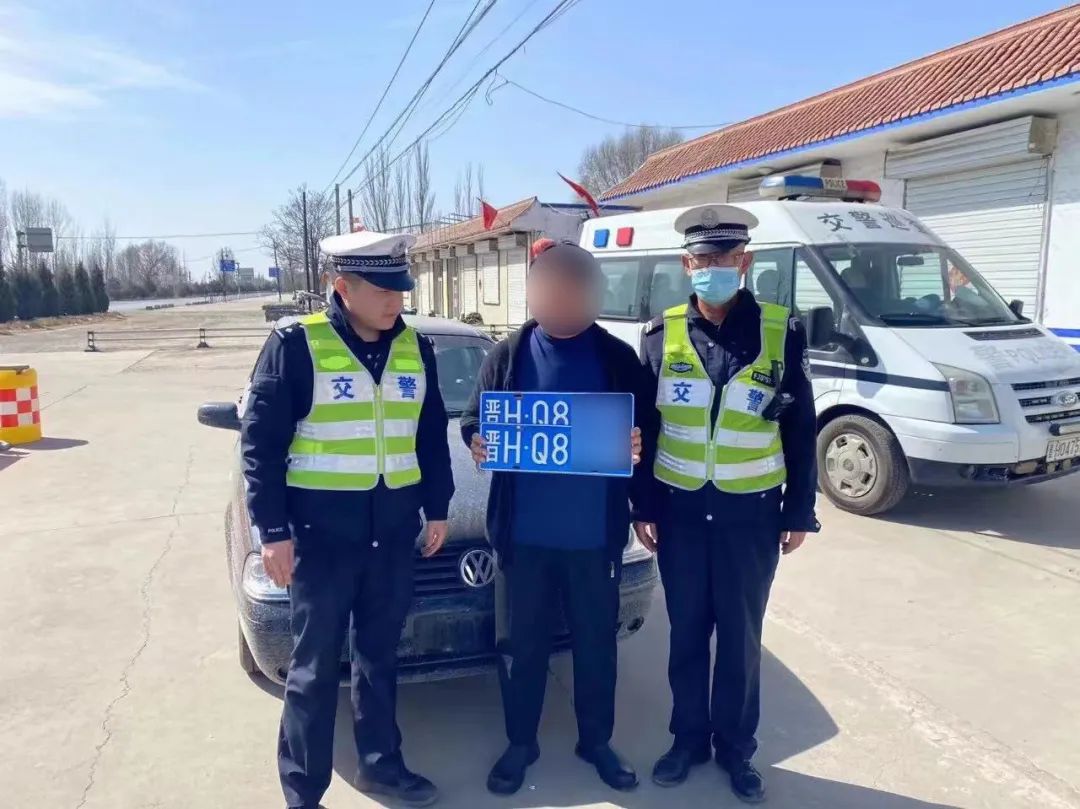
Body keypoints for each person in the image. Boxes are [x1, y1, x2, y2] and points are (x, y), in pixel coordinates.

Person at [240, 230, 455, 809]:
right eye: (383, 290)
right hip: (322, 540)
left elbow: (430, 434)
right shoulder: (296, 346)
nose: (396, 301)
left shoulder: (415, 347)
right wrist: (273, 532)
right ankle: (303, 791)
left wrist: (438, 507)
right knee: (312, 670)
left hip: (392, 535)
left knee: (380, 659)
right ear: (343, 287)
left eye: (400, 289)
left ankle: (383, 766)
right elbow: (260, 446)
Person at [634, 205, 819, 803]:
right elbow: (646, 429)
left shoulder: (781, 330)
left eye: (726, 258)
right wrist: (643, 505)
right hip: (680, 512)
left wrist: (799, 510)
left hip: (750, 514)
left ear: (746, 262)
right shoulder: (659, 334)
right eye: (703, 259)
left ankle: (737, 751)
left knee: (740, 639)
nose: (714, 267)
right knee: (687, 634)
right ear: (686, 265)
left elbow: (800, 426)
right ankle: (687, 741)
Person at [460, 239, 650, 796]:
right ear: (534, 293)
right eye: (551, 289)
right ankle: (520, 744)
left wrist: (638, 446)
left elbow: (649, 429)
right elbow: (473, 419)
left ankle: (596, 741)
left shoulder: (617, 359)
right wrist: (477, 440)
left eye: (573, 290)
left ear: (590, 295)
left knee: (596, 647)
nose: (561, 300)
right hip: (524, 542)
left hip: (593, 540)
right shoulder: (507, 355)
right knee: (520, 648)